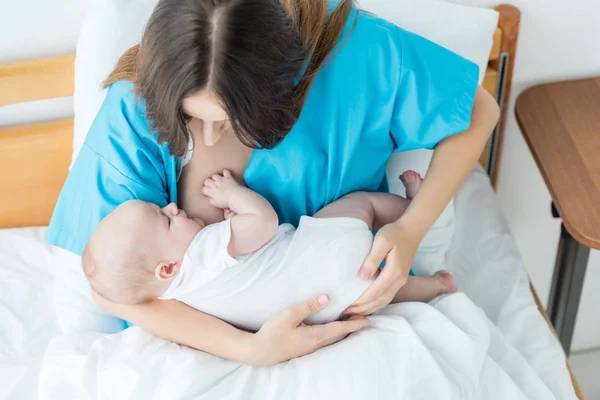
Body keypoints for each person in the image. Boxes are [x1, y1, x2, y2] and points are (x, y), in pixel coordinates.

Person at [47, 0, 499, 367]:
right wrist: (250, 349)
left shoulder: (360, 56)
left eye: (227, 120)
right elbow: (117, 291)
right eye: (190, 117)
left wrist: (413, 225)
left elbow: (480, 111)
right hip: (199, 350)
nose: (205, 137)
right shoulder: (136, 104)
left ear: (287, 82)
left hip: (354, 318)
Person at [82, 169, 457, 332]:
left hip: (327, 306)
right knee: (365, 205)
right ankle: (417, 212)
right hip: (327, 250)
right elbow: (263, 221)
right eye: (165, 219)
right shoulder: (202, 251)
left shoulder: (180, 296)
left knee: (386, 291)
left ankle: (438, 285)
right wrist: (233, 196)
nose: (172, 207)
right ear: (167, 269)